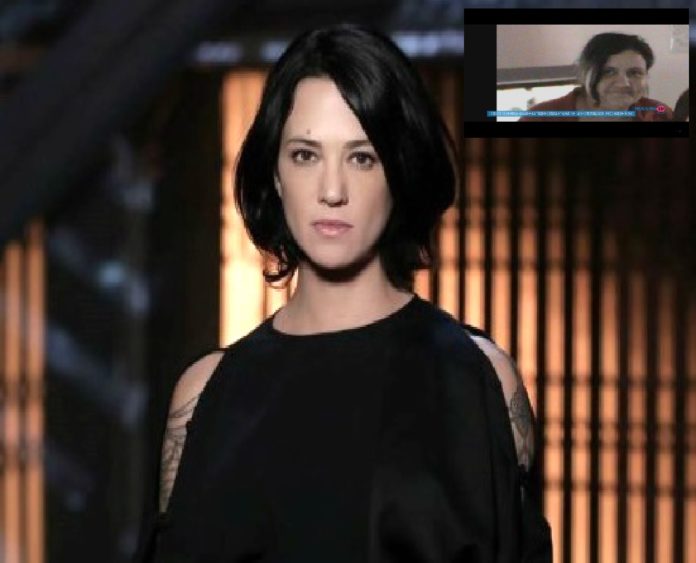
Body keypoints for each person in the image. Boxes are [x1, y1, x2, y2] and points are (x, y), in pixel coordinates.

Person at [134, 24, 552, 562]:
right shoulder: (206, 396)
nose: (332, 191)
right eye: (305, 155)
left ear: (398, 172)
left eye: (362, 157)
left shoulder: (477, 379)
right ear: (276, 175)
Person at [520, 32, 673, 122]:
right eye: (609, 72)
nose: (624, 83)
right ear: (585, 74)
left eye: (634, 73)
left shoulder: (659, 114)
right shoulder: (539, 118)